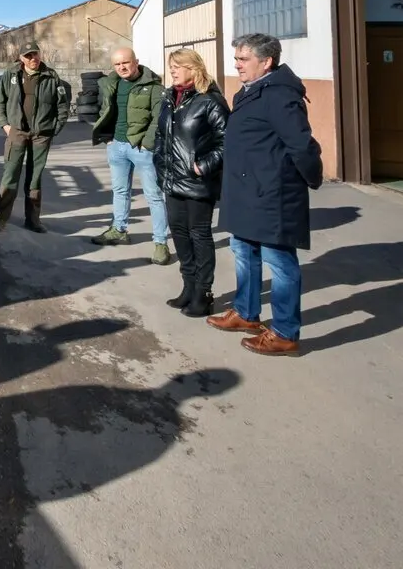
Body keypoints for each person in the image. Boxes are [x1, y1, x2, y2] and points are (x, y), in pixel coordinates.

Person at [208, 34, 323, 356]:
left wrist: (311, 179)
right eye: (237, 58)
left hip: (272, 192)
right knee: (243, 251)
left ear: (266, 61)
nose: (237, 64)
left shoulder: (280, 95)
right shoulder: (251, 91)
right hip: (247, 190)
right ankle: (246, 314)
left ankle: (285, 332)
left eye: (243, 59)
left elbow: (301, 145)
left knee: (280, 262)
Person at [152, 48, 230, 317]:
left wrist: (202, 166)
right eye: (171, 66)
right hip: (172, 180)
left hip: (198, 183)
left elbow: (227, 141)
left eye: (178, 66)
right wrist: (159, 165)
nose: (172, 70)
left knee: (199, 234)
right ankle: (188, 286)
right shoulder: (170, 99)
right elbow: (161, 136)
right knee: (180, 233)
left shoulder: (210, 101)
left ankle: (203, 293)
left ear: (194, 68)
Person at [91, 48, 172, 265]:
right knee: (120, 190)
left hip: (142, 149)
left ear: (136, 61)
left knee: (154, 195)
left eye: (126, 63)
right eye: (117, 64)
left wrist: (146, 144)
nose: (122, 68)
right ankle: (119, 230)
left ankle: (161, 243)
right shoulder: (110, 83)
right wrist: (107, 137)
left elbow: (159, 118)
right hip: (116, 146)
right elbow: (103, 110)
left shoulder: (154, 87)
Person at [0, 41, 70, 233]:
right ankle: (0, 219)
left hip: (41, 135)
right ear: (21, 58)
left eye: (36, 54)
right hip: (16, 132)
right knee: (10, 176)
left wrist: (54, 128)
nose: (33, 58)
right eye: (28, 55)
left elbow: (62, 105)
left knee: (34, 179)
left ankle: (33, 220)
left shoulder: (51, 76)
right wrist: (5, 125)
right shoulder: (11, 75)